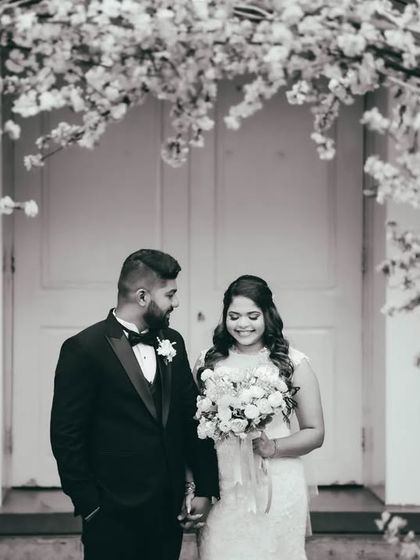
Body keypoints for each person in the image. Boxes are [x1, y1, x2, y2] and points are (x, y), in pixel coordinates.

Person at [50, 249, 219, 560]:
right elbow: (66, 436)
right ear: (143, 297)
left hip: (167, 512)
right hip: (110, 515)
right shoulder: (83, 349)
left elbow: (192, 418)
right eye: (170, 294)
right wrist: (90, 505)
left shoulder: (173, 342)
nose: (176, 303)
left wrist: (206, 487)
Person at [194, 275, 324, 560]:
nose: (243, 324)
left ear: (268, 315)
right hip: (224, 483)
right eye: (234, 316)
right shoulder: (208, 362)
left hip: (276, 483)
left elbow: (315, 432)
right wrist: (196, 487)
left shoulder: (292, 363)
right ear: (225, 316)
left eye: (253, 316)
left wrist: (274, 447)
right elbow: (195, 430)